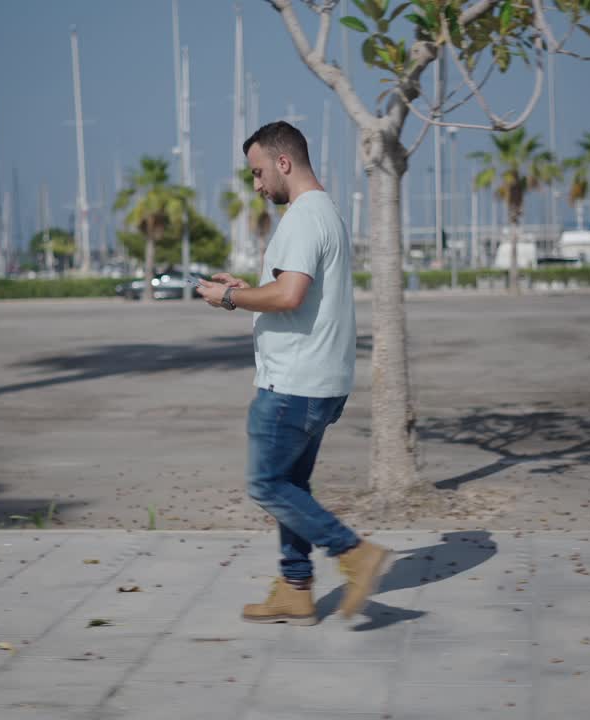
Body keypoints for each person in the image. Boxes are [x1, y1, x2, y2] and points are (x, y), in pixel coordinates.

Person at [198, 121, 389, 625]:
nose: (257, 185)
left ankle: (355, 554)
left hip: (292, 385)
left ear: (284, 163)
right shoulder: (326, 212)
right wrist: (248, 287)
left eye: (259, 172)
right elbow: (293, 293)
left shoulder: (303, 217)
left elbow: (289, 296)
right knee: (291, 488)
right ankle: (295, 587)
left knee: (265, 485)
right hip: (321, 381)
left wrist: (231, 298)